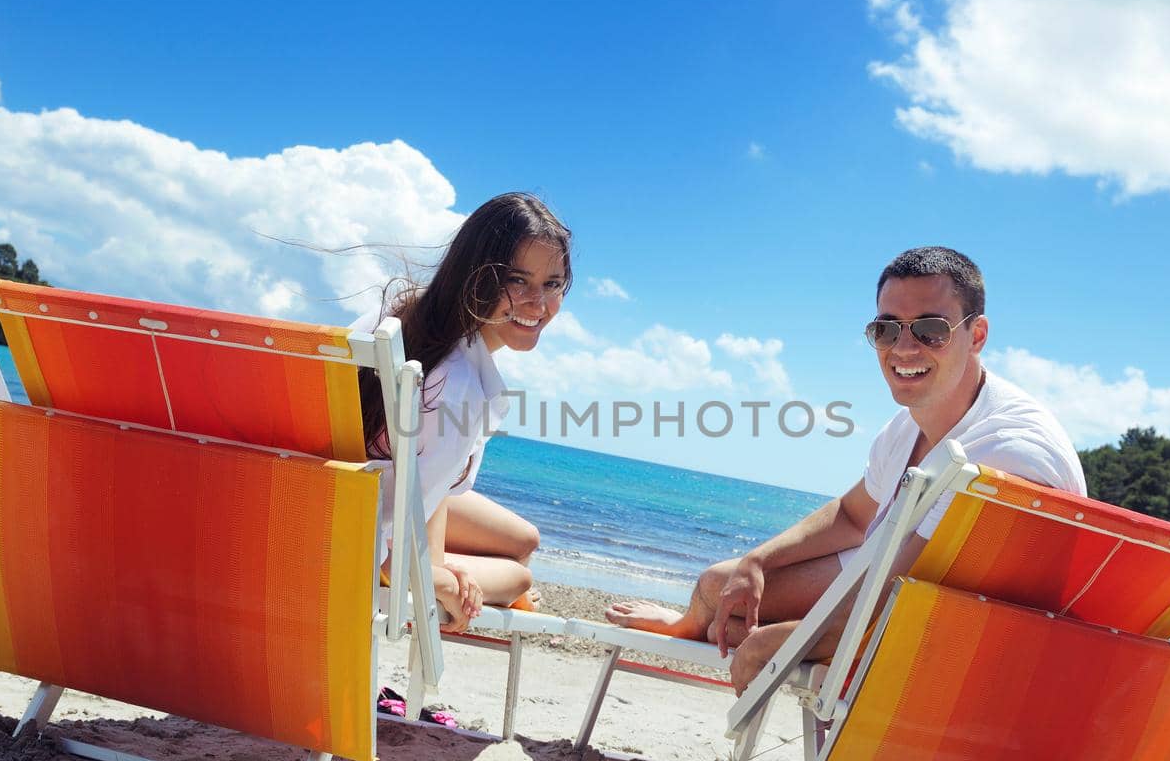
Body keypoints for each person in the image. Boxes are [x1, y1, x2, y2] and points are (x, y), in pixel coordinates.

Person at [604, 246, 1086, 691]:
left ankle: (717, 630)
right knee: (720, 585)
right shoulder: (908, 426)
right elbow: (855, 518)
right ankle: (692, 623)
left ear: (975, 335)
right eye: (887, 328)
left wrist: (783, 640)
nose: (904, 347)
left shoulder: (1006, 454)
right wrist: (756, 562)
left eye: (930, 329)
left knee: (748, 634)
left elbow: (902, 603)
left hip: (957, 643)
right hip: (904, 598)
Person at [353, 192, 571, 632]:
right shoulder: (460, 387)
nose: (538, 303)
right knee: (518, 575)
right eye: (517, 280)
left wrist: (435, 566)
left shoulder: (401, 318)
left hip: (355, 497)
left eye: (552, 284)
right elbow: (403, 532)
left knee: (523, 541)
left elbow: (422, 486)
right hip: (366, 536)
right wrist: (445, 582)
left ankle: (452, 571)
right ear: (476, 276)